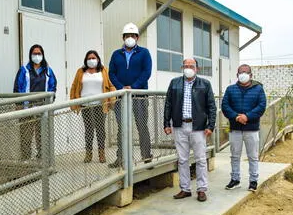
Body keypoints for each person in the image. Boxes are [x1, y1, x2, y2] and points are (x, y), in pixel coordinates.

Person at [164, 58, 216, 202]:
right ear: (182, 68)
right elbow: (168, 103)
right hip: (180, 126)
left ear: (196, 69)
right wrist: (166, 123)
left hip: (198, 127)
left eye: (191, 66)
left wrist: (210, 125)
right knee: (182, 159)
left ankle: (201, 189)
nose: (188, 68)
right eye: (185, 66)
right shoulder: (175, 83)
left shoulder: (205, 84)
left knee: (200, 159)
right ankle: (185, 189)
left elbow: (211, 106)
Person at [108, 22, 153, 168]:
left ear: (137, 37)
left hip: (138, 96)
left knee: (141, 125)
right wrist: (122, 88)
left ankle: (146, 156)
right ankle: (120, 158)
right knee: (122, 127)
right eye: (127, 35)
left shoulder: (144, 53)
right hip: (122, 97)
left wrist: (133, 87)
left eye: (132, 35)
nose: (130, 38)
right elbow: (111, 73)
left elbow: (146, 72)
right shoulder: (116, 54)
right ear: (123, 37)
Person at [221, 64, 266, 192]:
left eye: (246, 72)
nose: (243, 74)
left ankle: (253, 180)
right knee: (235, 156)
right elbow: (225, 106)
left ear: (251, 75)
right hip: (235, 129)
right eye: (241, 72)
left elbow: (261, 106)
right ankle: (235, 179)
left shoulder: (258, 89)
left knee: (253, 156)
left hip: (251, 129)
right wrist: (236, 117)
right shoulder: (230, 89)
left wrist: (247, 116)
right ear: (237, 75)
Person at [70, 50, 116, 163]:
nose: (91, 60)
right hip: (85, 106)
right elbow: (74, 86)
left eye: (93, 58)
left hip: (100, 105)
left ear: (98, 59)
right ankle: (88, 154)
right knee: (89, 130)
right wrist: (73, 102)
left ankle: (101, 154)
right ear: (86, 60)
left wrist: (112, 99)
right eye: (89, 58)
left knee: (100, 130)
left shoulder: (104, 70)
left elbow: (111, 85)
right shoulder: (81, 72)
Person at [13, 44, 57, 160]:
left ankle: (42, 159)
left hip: (42, 109)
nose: (37, 56)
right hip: (27, 108)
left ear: (42, 55)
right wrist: (19, 105)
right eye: (34, 53)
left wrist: (50, 100)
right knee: (26, 136)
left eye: (39, 53)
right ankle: (26, 159)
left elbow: (53, 86)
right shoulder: (24, 70)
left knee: (42, 135)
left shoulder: (48, 71)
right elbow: (17, 87)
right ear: (30, 55)